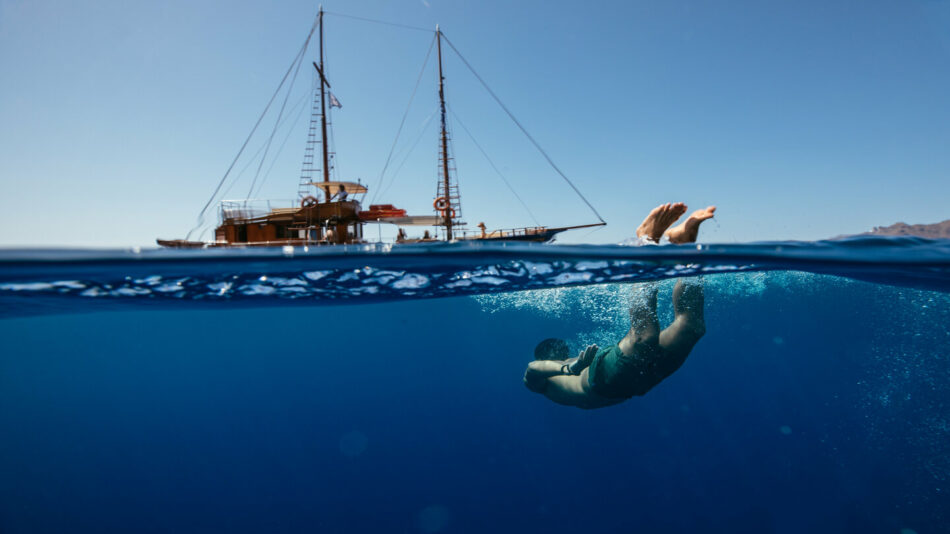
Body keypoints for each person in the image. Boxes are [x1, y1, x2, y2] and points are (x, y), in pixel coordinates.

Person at [522, 202, 716, 409]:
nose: (563, 352)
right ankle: (685, 248)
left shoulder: (566, 369)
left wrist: (573, 367)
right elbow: (534, 368)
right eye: (558, 352)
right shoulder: (542, 384)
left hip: (606, 380)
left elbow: (540, 366)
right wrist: (570, 368)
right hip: (638, 384)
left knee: (645, 337)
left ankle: (646, 241)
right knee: (691, 327)